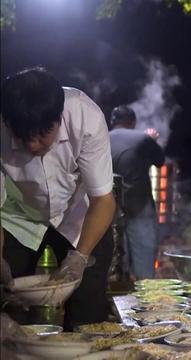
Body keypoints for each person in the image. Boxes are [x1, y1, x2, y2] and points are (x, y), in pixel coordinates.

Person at [0, 67, 116, 329]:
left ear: (59, 118)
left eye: (42, 134)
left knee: (87, 309)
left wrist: (80, 257)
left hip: (80, 215)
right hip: (18, 218)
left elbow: (103, 200)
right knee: (9, 306)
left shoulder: (85, 117)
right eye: (24, 137)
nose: (32, 145)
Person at [109, 106, 165, 280]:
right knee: (144, 263)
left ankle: (117, 300)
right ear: (133, 122)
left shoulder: (101, 139)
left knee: (115, 263)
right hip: (139, 207)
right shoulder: (143, 138)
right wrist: (152, 140)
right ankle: (145, 296)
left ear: (112, 122)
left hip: (108, 209)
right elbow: (160, 161)